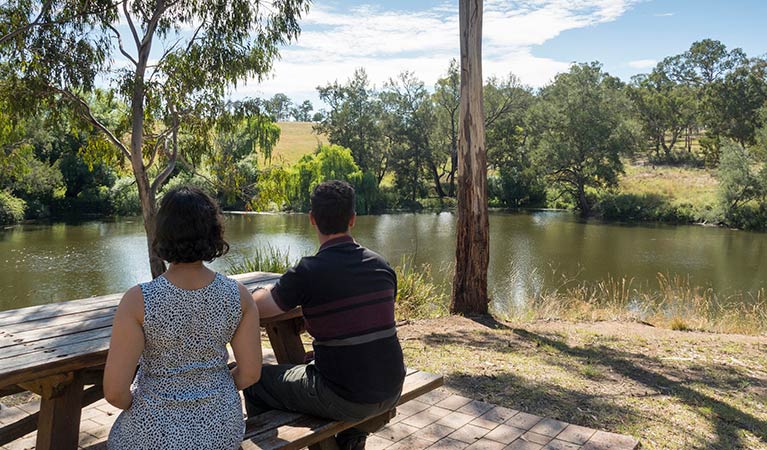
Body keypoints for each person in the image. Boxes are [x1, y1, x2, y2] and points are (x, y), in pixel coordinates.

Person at [245, 180, 406, 450]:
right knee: (330, 373)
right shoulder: (381, 266)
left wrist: (259, 290)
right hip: (391, 390)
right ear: (352, 219)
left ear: (312, 219)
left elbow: (261, 307)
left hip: (346, 398)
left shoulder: (309, 271)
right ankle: (351, 439)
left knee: (256, 383)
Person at [104, 186, 262, 450]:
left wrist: (146, 407)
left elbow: (114, 392)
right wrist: (216, 390)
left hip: (154, 433)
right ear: (213, 232)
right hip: (220, 431)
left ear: (162, 232)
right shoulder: (239, 296)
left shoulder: (138, 300)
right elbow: (251, 373)